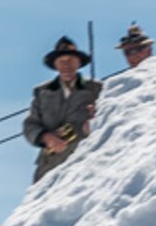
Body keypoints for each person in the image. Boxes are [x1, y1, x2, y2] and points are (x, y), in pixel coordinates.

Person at [23, 36, 101, 183]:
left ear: (79, 63)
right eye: (62, 62)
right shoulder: (42, 92)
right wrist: (46, 137)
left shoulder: (96, 89)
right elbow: (30, 125)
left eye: (71, 60)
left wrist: (95, 119)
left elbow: (112, 116)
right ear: (55, 65)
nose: (66, 65)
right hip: (49, 168)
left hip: (84, 162)